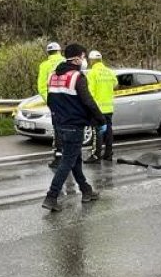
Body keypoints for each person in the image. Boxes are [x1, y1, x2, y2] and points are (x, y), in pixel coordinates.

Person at [41, 43, 105, 211]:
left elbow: (50, 101)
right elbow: (88, 101)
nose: (84, 60)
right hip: (74, 125)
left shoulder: (53, 76)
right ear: (77, 58)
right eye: (83, 57)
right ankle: (51, 196)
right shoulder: (77, 77)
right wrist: (101, 120)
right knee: (67, 162)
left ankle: (86, 190)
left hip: (60, 124)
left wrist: (59, 117)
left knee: (75, 159)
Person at [35, 41, 64, 168]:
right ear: (59, 51)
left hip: (55, 102)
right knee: (70, 127)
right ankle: (72, 156)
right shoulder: (66, 62)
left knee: (58, 129)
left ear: (48, 53)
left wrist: (49, 101)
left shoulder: (44, 65)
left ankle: (59, 157)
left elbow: (41, 87)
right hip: (69, 100)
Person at [86, 50, 116, 162]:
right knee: (108, 131)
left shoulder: (92, 73)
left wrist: (89, 107)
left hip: (97, 109)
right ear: (101, 60)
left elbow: (90, 92)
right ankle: (108, 154)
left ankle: (96, 155)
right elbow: (115, 83)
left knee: (97, 132)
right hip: (109, 107)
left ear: (91, 61)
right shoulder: (109, 72)